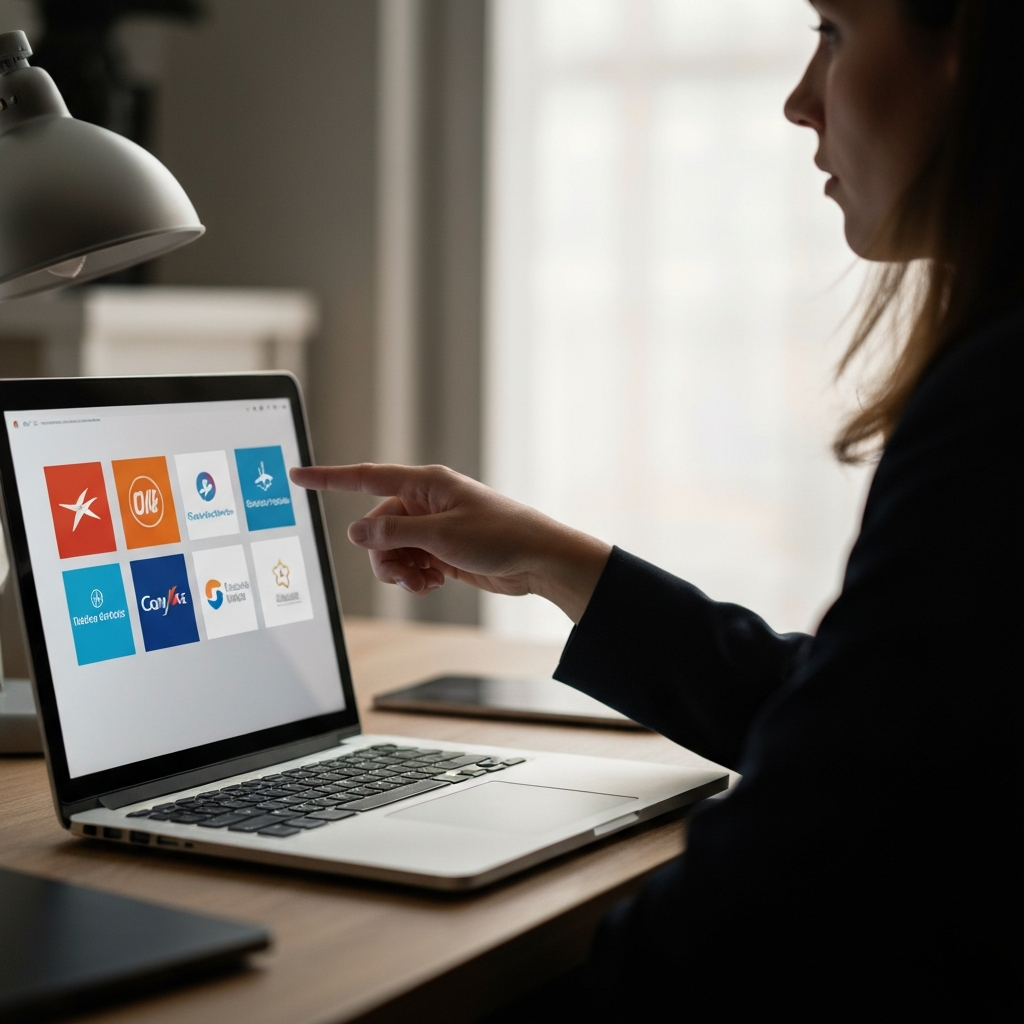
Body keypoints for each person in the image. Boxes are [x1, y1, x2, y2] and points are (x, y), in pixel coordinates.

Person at [293, 0, 1020, 1017]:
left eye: (834, 32)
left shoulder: (998, 403)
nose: (798, 100)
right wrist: (556, 559)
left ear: (971, 53)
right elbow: (862, 727)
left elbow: (781, 874)